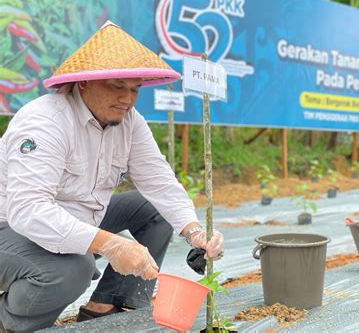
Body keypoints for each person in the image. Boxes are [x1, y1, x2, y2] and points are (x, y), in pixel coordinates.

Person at [0, 21, 224, 332]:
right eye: (117, 85)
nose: (128, 99)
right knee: (74, 270)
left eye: (134, 89)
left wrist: (194, 231)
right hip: (10, 228)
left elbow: (158, 181)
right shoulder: (45, 122)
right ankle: (12, 322)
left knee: (155, 210)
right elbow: (28, 211)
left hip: (74, 218)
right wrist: (110, 245)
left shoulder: (129, 121)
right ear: (84, 82)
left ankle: (106, 305)